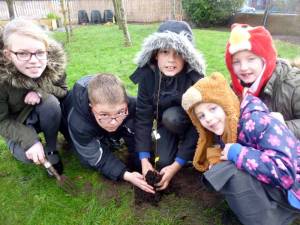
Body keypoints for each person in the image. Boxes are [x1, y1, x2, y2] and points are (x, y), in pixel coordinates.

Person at [182, 72, 300, 225]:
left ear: (226, 103)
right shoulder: (229, 124)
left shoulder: (256, 121)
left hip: (293, 190)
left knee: (229, 171)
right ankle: (255, 213)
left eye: (212, 109)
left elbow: (284, 173)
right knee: (223, 169)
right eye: (202, 116)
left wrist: (237, 153)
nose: (209, 119)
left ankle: (269, 219)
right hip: (281, 186)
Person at [130, 20, 205, 191]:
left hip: (189, 124)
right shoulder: (147, 76)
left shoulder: (194, 80)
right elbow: (143, 118)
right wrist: (144, 160)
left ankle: (186, 149)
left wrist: (177, 165)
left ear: (187, 56)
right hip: (164, 125)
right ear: (155, 54)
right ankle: (171, 143)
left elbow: (198, 125)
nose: (171, 60)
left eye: (178, 53)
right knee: (162, 161)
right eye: (165, 52)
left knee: (172, 117)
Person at [61, 73, 154, 193]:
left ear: (126, 103)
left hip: (97, 121)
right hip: (70, 122)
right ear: (91, 106)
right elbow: (94, 156)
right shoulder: (78, 123)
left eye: (120, 112)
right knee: (86, 160)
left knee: (130, 125)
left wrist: (143, 160)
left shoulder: (130, 104)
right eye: (104, 115)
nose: (113, 123)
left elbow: (142, 128)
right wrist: (126, 175)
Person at [0, 18, 67, 174]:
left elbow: (63, 91)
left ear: (46, 49)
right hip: (16, 122)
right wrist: (30, 140)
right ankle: (20, 145)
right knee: (27, 157)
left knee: (50, 102)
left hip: (41, 113)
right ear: (8, 54)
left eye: (39, 52)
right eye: (23, 53)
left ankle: (51, 150)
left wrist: (40, 91)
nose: (34, 61)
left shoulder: (53, 67)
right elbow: (1, 121)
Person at [225, 23, 300, 139]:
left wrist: (282, 126)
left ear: (264, 60)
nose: (243, 67)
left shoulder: (293, 84)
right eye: (236, 62)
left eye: (251, 59)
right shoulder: (234, 90)